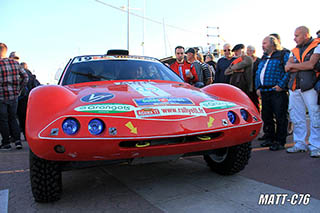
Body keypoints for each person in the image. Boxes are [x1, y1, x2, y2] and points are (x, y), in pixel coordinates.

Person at [284, 26, 320, 157]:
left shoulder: (317, 45)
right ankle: (299, 144)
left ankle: (316, 145)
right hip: (294, 87)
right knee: (296, 117)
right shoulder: (294, 50)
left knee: (315, 115)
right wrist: (301, 65)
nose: (294, 38)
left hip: (310, 86)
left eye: (297, 35)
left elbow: (311, 65)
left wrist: (294, 65)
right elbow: (287, 67)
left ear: (305, 35)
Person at [255, 36, 290, 151]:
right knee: (267, 116)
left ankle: (280, 141)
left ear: (272, 44)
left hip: (277, 91)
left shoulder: (283, 54)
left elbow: (288, 71)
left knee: (280, 116)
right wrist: (258, 87)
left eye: (264, 43)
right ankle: (269, 137)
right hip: (264, 91)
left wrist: (281, 85)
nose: (262, 45)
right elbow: (258, 72)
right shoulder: (264, 57)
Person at [0, 43, 29, 150]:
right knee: (13, 118)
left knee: (3, 120)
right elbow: (25, 77)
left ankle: (6, 143)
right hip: (14, 96)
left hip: (1, 97)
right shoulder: (15, 63)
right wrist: (19, 90)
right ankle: (18, 142)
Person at [17, 62, 40, 140]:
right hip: (30, 99)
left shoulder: (21, 75)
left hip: (21, 98)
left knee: (21, 117)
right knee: (30, 117)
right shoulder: (32, 76)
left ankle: (25, 135)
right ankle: (32, 134)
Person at [246, 45, 261, 111]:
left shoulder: (259, 61)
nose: (248, 52)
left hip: (256, 85)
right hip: (248, 84)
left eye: (249, 50)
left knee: (256, 102)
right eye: (247, 50)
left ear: (254, 51)